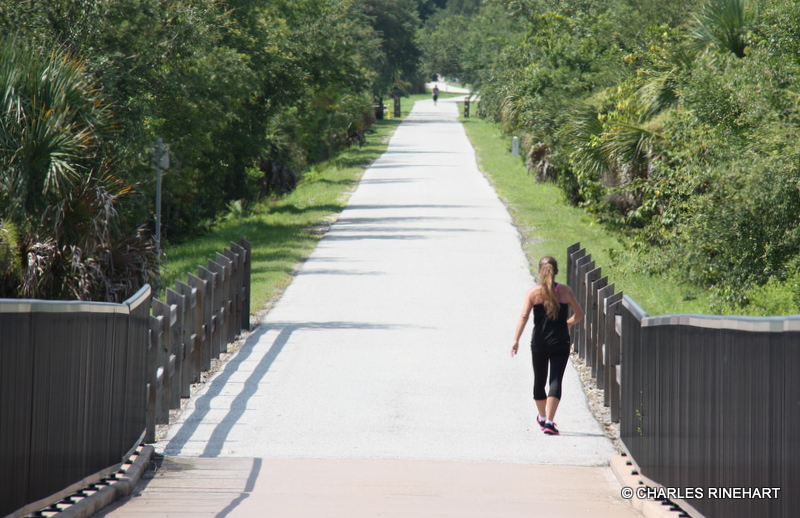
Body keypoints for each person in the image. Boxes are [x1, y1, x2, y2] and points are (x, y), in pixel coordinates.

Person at [510, 256, 583, 436]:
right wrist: (568, 323)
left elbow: (524, 317)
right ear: (556, 271)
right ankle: (549, 421)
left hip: (539, 342)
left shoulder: (533, 293)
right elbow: (580, 314)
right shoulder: (565, 291)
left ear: (539, 271)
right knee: (555, 380)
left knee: (539, 380)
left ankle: (542, 417)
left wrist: (515, 340)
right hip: (560, 342)